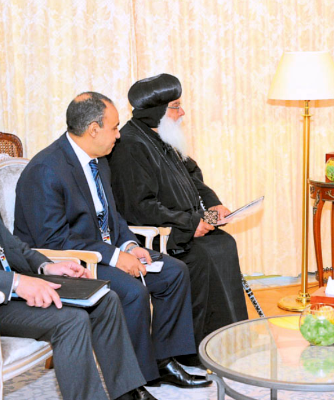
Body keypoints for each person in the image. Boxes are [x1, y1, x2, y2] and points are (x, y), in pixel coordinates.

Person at [13, 92, 210, 390]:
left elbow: (112, 215)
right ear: (94, 129)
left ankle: (164, 360)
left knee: (174, 272)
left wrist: (130, 246)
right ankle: (138, 380)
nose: (119, 135)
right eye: (115, 127)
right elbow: (53, 241)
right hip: (70, 263)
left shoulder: (99, 160)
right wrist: (116, 258)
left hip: (103, 252)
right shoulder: (46, 170)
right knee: (131, 292)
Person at [0, 93, 154, 400]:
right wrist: (18, 282)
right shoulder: (46, 167)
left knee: (104, 299)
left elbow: (5, 241)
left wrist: (44, 266)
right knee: (72, 320)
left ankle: (128, 393)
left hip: (7, 289)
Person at [106, 74, 249, 356]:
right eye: (175, 106)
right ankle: (195, 351)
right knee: (203, 256)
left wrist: (213, 204)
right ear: (156, 110)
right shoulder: (131, 145)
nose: (182, 112)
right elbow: (139, 207)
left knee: (224, 243)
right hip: (155, 237)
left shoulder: (162, 135)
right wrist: (190, 223)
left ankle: (227, 343)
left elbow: (192, 174)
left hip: (184, 226)